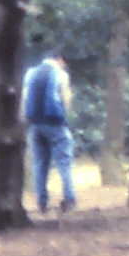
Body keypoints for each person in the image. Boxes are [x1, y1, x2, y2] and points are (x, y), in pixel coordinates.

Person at [21, 53, 78, 214]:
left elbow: (24, 99)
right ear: (59, 59)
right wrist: (65, 116)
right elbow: (65, 99)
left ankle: (42, 203)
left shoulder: (30, 73)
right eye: (64, 63)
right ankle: (69, 199)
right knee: (64, 163)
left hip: (34, 124)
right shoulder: (61, 74)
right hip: (54, 123)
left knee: (39, 164)